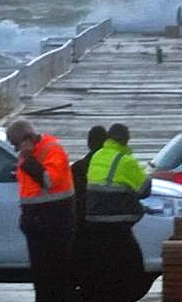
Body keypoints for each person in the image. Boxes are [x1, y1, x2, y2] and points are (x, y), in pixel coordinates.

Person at [6, 119, 75, 302]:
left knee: (56, 276)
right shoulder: (26, 154)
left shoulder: (52, 150)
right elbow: (28, 191)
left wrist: (29, 159)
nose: (16, 150)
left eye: (16, 144)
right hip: (37, 222)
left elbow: (47, 181)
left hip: (55, 222)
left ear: (27, 138)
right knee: (41, 276)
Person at [84, 123, 151, 302]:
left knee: (103, 267)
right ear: (127, 139)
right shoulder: (126, 161)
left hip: (93, 222)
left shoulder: (97, 156)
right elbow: (145, 189)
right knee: (132, 266)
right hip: (118, 224)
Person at [70, 125, 108, 297]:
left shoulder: (77, 168)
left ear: (88, 144)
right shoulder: (113, 169)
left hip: (81, 229)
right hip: (106, 230)